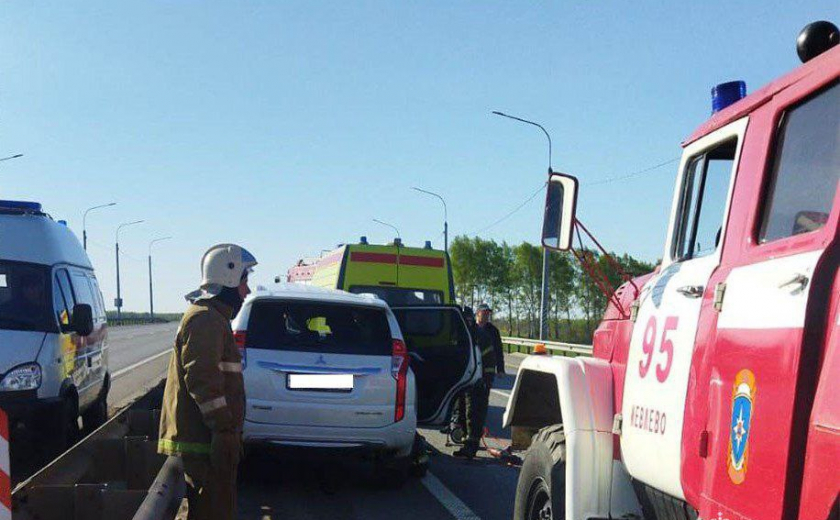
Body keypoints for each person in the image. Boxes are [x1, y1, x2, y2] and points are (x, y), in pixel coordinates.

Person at [158, 244, 257, 520]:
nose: (246, 291)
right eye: (244, 282)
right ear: (228, 277)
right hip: (204, 442)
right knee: (212, 512)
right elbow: (203, 380)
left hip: (208, 440)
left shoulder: (213, 318)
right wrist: (224, 429)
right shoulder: (205, 319)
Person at [454, 303, 503, 459]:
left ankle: (471, 446)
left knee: (474, 415)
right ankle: (465, 443)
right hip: (464, 382)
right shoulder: (461, 335)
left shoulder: (483, 336)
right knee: (462, 413)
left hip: (478, 382)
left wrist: (487, 381)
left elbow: (491, 359)